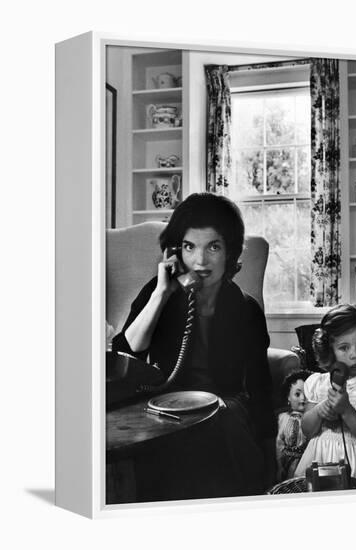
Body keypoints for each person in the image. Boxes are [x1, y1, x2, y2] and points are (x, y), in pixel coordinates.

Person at [112, 192, 277, 500]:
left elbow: (260, 387)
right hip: (166, 410)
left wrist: (270, 453)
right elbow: (125, 353)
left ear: (229, 251)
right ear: (176, 251)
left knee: (212, 427)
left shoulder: (246, 309)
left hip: (223, 410)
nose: (200, 261)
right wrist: (161, 294)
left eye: (212, 247)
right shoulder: (159, 293)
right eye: (189, 247)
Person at [294, 304, 356, 488]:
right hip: (319, 463)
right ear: (329, 351)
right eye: (344, 348)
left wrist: (346, 410)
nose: (354, 354)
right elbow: (307, 430)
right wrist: (320, 410)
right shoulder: (317, 384)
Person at [275, 369, 311, 482]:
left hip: (306, 462)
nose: (302, 398)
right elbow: (279, 442)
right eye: (297, 394)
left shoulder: (313, 419)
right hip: (285, 462)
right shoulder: (282, 417)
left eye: (307, 394)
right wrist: (279, 464)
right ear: (288, 397)